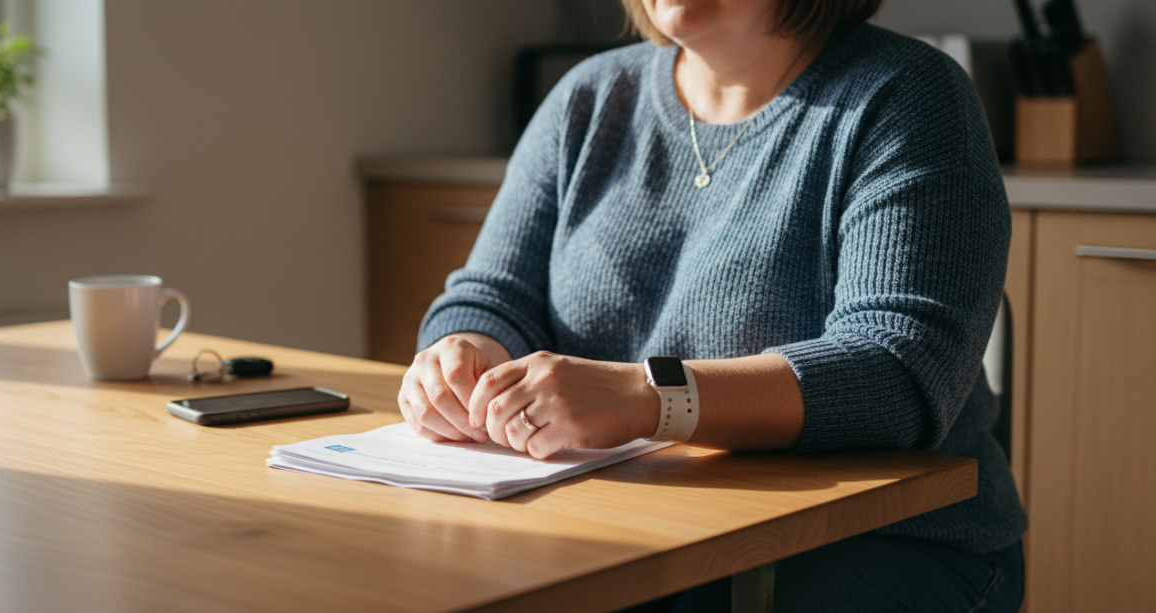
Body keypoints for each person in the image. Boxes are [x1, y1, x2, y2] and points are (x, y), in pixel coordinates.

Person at [397, 0, 1027, 610]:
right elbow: (492, 295)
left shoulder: (909, 96)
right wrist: (462, 356)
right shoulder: (587, 100)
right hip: (639, 527)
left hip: (885, 540)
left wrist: (649, 397)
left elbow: (894, 374)